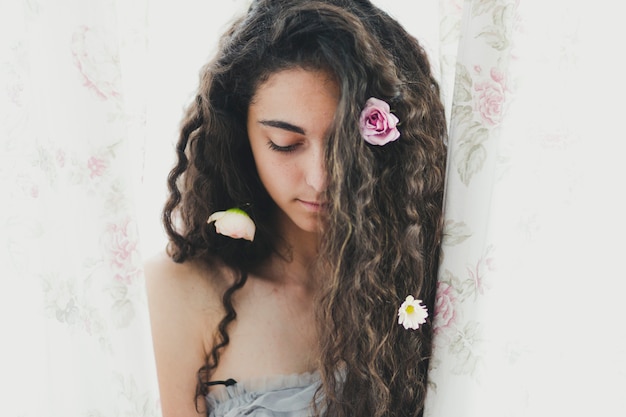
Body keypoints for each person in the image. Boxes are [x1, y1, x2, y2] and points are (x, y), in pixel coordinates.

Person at [145, 1, 447, 416]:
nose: (320, 178)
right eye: (286, 145)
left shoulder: (428, 276)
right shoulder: (181, 293)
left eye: (346, 145)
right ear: (239, 135)